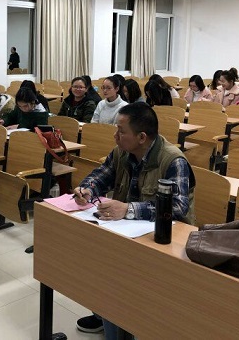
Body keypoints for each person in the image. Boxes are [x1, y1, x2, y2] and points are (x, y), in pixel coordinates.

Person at [73, 103, 195, 337]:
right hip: (127, 232)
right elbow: (102, 175)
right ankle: (104, 315)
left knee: (115, 279)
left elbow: (178, 207)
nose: (115, 136)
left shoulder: (172, 160)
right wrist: (87, 189)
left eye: (121, 131)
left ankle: (121, 323)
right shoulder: (121, 151)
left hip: (163, 240)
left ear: (141, 137)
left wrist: (128, 209)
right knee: (97, 261)